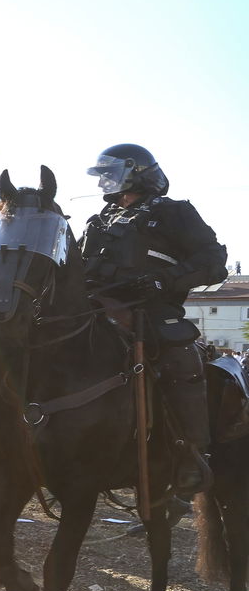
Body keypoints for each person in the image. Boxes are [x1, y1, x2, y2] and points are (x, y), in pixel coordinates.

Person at [82, 143, 228, 496]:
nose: (103, 182)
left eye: (110, 174)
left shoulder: (173, 212)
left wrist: (167, 279)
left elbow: (214, 260)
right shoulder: (98, 220)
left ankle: (190, 456)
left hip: (152, 309)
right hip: (93, 308)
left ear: (136, 173)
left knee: (182, 358)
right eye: (101, 175)